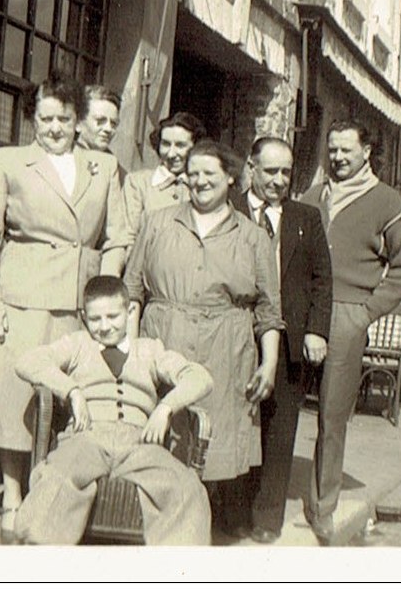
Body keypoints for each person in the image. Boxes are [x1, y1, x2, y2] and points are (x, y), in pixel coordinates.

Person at [0, 71, 129, 544]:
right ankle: (14, 495)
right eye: (46, 118)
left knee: (72, 405)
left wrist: (106, 293)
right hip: (23, 301)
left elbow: (118, 235)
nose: (55, 127)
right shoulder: (8, 162)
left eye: (65, 118)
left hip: (82, 306)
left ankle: (54, 495)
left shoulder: (102, 167)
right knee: (12, 403)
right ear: (32, 118)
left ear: (79, 121)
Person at [124, 139, 284, 536]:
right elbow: (132, 291)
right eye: (192, 174)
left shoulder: (252, 237)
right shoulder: (158, 222)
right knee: (163, 435)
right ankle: (160, 521)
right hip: (166, 339)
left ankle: (197, 527)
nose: (199, 182)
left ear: (231, 177)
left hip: (226, 347)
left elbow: (268, 310)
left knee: (212, 441)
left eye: (208, 174)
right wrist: (130, 350)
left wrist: (269, 363)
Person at [13, 275, 213, 545]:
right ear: (84, 316)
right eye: (95, 319)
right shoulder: (78, 344)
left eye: (113, 316)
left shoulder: (149, 350)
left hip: (140, 445)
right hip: (86, 438)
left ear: (129, 311)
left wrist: (166, 407)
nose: (104, 327)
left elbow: (201, 378)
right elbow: (28, 361)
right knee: (55, 479)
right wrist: (71, 391)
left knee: (186, 488)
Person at [299, 119, 401, 545]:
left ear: (367, 151)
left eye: (347, 150)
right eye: (332, 150)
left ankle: (322, 507)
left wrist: (366, 313)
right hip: (304, 310)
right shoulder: (313, 198)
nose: (338, 157)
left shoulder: (387, 202)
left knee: (332, 415)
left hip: (348, 315)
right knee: (279, 404)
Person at [230, 137, 332, 543]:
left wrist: (317, 331)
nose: (278, 180)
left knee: (279, 430)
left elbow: (323, 280)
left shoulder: (307, 217)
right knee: (238, 424)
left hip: (290, 343)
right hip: (237, 338)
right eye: (270, 171)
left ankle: (268, 519)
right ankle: (233, 512)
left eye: (286, 172)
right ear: (251, 168)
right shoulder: (230, 209)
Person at [122, 111, 207, 243]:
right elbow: (127, 237)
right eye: (166, 144)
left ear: (196, 147)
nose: (171, 154)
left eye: (180, 145)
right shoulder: (138, 183)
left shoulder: (204, 187)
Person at [75, 84, 125, 182]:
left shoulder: (114, 167)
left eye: (113, 123)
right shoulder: (63, 160)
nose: (108, 129)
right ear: (78, 123)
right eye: (100, 120)